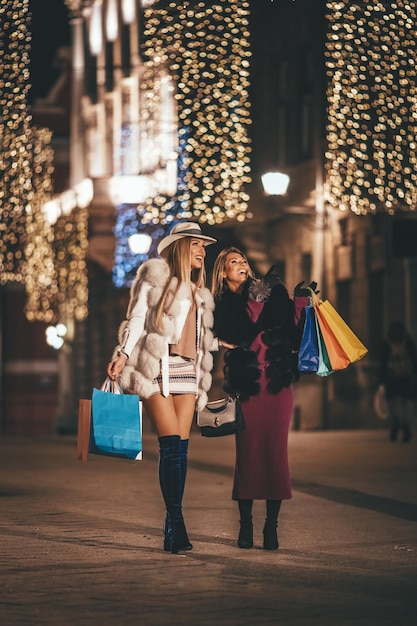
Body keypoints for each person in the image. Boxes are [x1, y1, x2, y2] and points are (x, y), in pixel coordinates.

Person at [107, 222, 217, 554]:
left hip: (188, 372)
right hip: (157, 369)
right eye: (196, 245)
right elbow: (136, 319)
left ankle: (172, 524)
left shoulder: (199, 291)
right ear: (181, 246)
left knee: (180, 451)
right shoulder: (155, 279)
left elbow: (201, 338)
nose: (202, 251)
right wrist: (123, 353)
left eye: (204, 247)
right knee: (169, 446)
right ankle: (177, 521)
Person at [211, 247, 313, 550]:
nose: (241, 264)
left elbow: (295, 334)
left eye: (243, 260)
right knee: (248, 454)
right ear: (223, 273)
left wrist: (300, 302)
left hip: (278, 385)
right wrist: (252, 302)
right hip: (248, 386)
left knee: (275, 454)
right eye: (233, 262)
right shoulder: (222, 304)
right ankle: (246, 526)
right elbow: (232, 334)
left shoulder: (272, 292)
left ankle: (271, 527)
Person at [377, 320, 417, 443]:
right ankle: (401, 426)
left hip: (391, 379)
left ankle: (400, 426)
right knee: (404, 404)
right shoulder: (408, 342)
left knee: (394, 404)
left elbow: (383, 364)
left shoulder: (387, 344)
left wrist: (381, 382)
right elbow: (414, 360)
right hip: (405, 378)